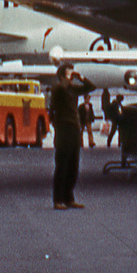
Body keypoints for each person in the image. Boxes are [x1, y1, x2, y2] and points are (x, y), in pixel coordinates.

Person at [49, 64, 95, 210]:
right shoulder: (57, 88)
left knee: (74, 164)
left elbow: (91, 87)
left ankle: (69, 197)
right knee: (62, 164)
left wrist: (80, 77)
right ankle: (58, 199)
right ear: (62, 76)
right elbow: (62, 87)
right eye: (68, 73)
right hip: (63, 128)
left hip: (75, 128)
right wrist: (66, 77)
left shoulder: (73, 89)